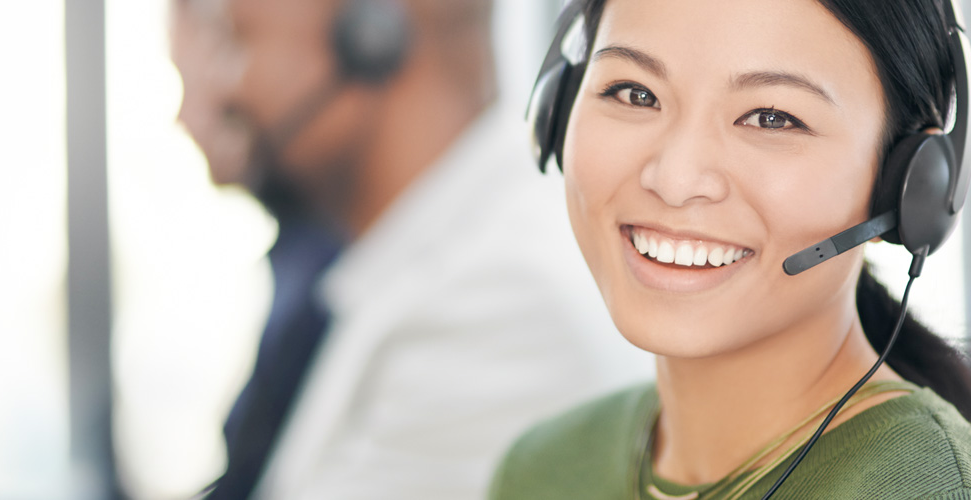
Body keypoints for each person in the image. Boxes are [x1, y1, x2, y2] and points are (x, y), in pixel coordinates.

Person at [489, 0, 971, 498]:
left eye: (772, 118)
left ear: (910, 181)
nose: (675, 179)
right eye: (635, 93)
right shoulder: (542, 470)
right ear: (558, 109)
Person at [168, 0, 650, 498]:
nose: (211, 95)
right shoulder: (425, 260)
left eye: (234, 41)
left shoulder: (496, 309)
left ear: (373, 39)